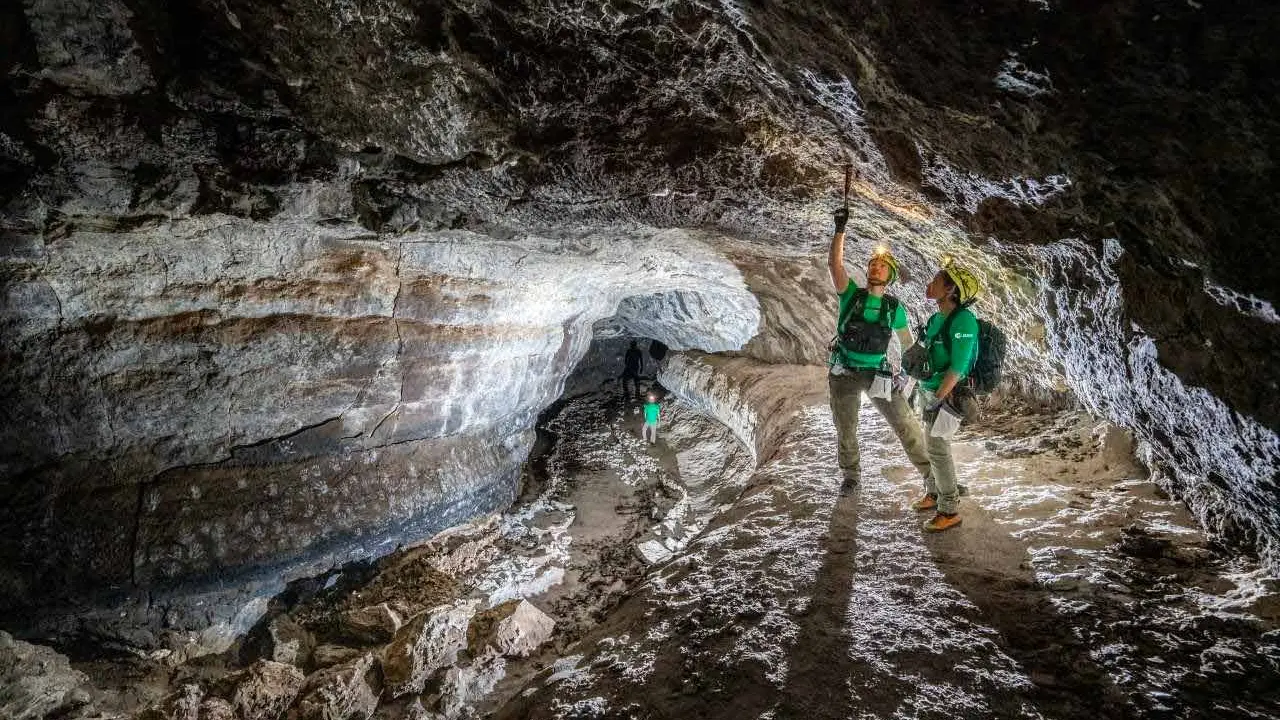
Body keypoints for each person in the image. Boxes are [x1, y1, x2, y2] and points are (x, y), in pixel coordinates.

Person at [827, 207, 933, 493]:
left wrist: (908, 379)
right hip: (845, 371)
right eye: (872, 264)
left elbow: (909, 345)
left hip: (878, 374)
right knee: (846, 428)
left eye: (882, 266)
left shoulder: (894, 309)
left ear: (891, 276)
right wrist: (840, 229)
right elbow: (835, 266)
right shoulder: (851, 295)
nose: (875, 267)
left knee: (906, 425)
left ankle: (932, 476)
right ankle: (851, 475)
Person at [910, 257, 982, 532]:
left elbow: (958, 368)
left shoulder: (964, 321)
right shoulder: (936, 317)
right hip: (929, 391)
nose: (930, 284)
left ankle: (949, 509)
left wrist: (939, 398)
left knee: (938, 450)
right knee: (932, 447)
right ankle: (934, 492)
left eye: (936, 281)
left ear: (951, 290)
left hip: (948, 396)